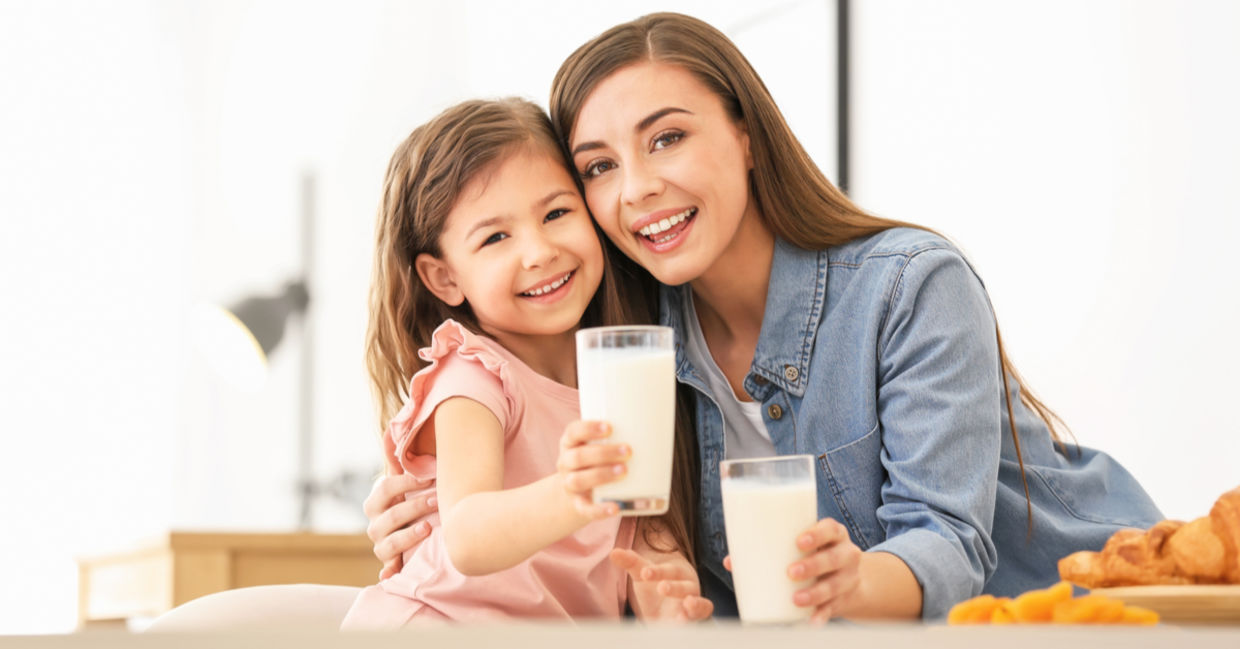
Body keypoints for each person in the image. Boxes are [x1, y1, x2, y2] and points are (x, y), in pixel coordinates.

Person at [365, 12, 1164, 622]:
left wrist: (855, 582)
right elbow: (528, 463)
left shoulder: (910, 285)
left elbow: (950, 541)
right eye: (599, 166)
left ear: (746, 135)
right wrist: (418, 508)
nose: (635, 188)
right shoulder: (633, 343)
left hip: (1084, 609)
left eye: (667, 138)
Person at [341, 97, 711, 627]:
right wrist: (574, 490)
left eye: (557, 213)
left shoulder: (618, 374)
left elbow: (638, 530)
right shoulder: (473, 376)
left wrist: (666, 589)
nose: (539, 251)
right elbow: (468, 537)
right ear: (445, 278)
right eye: (495, 237)